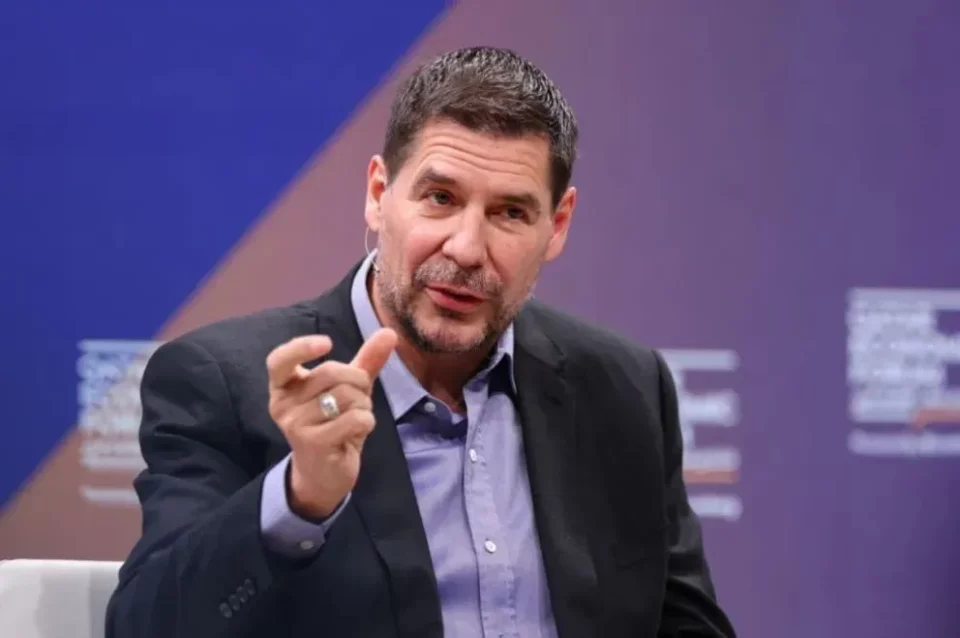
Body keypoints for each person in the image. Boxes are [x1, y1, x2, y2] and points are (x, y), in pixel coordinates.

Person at [105, 46, 736, 638]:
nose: (466, 249)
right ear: (379, 194)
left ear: (558, 223)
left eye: (510, 213)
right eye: (440, 198)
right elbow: (144, 625)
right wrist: (300, 497)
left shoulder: (624, 386)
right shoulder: (224, 381)